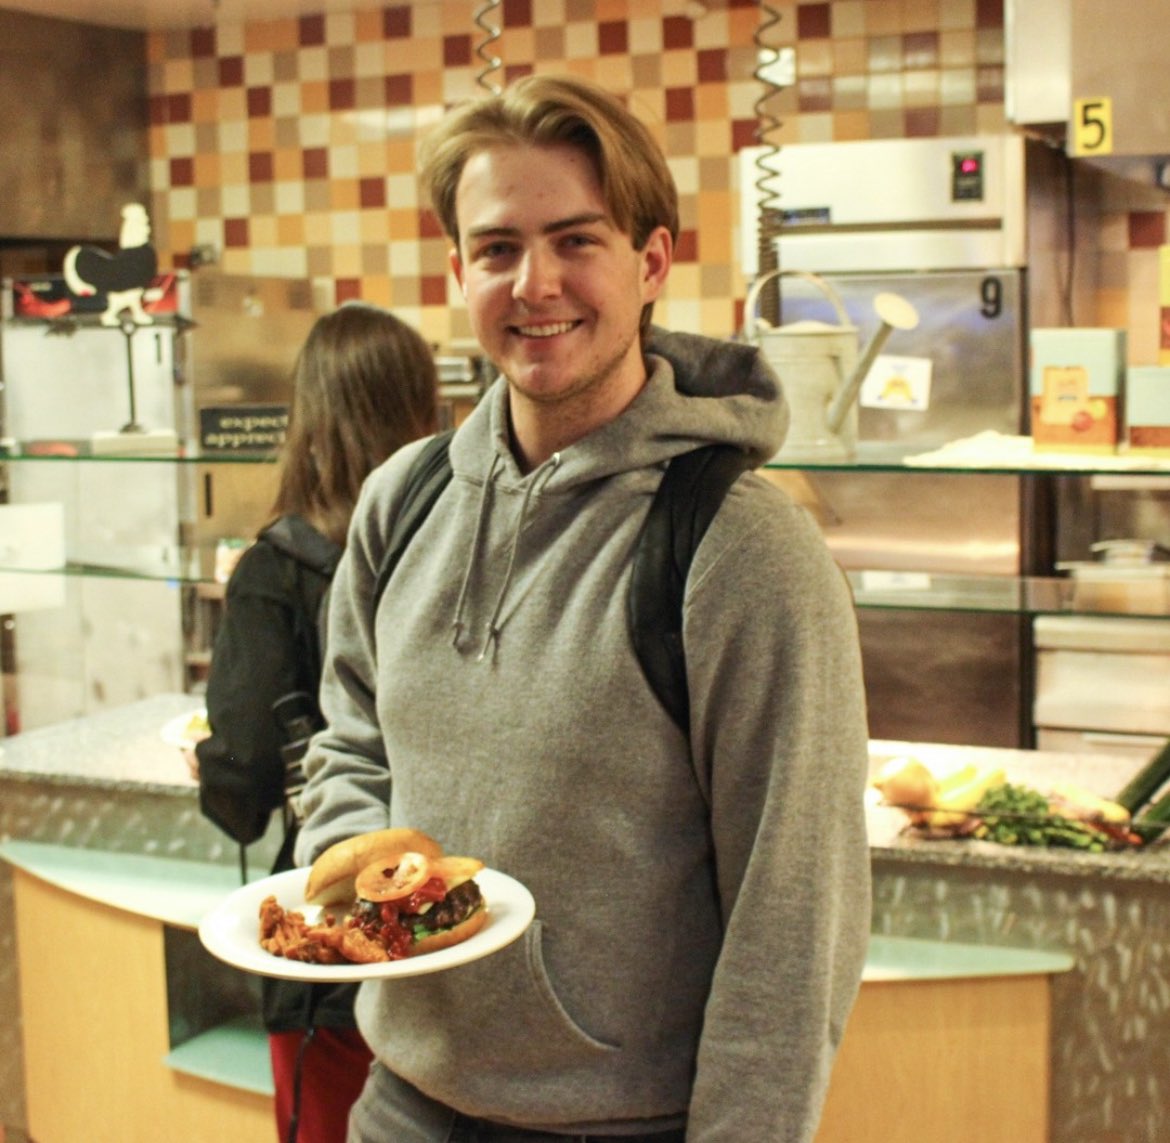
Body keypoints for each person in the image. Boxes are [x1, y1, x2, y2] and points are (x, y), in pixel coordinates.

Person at [295, 74, 871, 1143]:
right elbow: (351, 743)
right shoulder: (403, 499)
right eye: (498, 248)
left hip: (625, 1123)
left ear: (650, 263)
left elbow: (794, 918)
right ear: (458, 271)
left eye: (576, 241)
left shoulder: (740, 548)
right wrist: (368, 903)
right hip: (399, 1104)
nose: (536, 283)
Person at [195, 301, 440, 1143]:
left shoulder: (275, 572)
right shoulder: (446, 552)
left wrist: (212, 763)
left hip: (327, 959)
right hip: (446, 936)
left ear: (307, 418)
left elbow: (244, 784)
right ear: (424, 410)